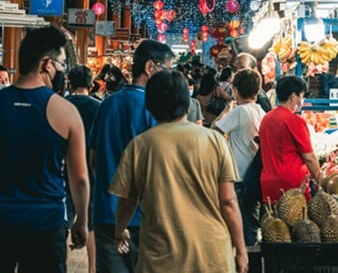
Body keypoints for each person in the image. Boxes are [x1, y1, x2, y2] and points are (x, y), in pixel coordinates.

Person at [109, 70, 248, 273]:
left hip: (161, 259)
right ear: (187, 101)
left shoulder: (140, 146)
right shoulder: (214, 140)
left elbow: (127, 202)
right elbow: (228, 202)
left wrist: (119, 233)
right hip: (212, 256)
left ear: (151, 103)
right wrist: (241, 250)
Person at [0, 25, 89, 272]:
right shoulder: (66, 112)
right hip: (46, 222)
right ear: (46, 64)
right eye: (61, 64)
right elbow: (79, 178)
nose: (63, 71)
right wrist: (81, 221)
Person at [89, 39, 176, 273]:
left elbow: (94, 159)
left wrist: (111, 186)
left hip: (107, 213)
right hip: (147, 217)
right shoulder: (156, 109)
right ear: (150, 67)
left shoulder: (107, 104)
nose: (169, 77)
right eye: (166, 69)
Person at [213, 68, 266, 246]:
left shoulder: (239, 111)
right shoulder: (260, 111)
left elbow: (214, 131)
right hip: (255, 175)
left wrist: (227, 110)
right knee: (251, 221)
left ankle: (245, 262)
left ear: (235, 90)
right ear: (257, 90)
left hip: (239, 176)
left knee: (240, 226)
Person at [259, 75, 321, 204]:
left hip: (268, 184)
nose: (302, 100)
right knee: (297, 223)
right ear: (293, 96)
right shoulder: (295, 121)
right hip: (292, 186)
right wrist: (320, 179)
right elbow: (309, 157)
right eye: (302, 96)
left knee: (272, 222)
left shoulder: (266, 118)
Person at [66, 64, 101, 273]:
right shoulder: (98, 106)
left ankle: (62, 264)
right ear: (91, 83)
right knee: (90, 222)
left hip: (63, 169)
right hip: (90, 169)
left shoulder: (61, 104)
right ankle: (93, 268)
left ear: (70, 82)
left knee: (64, 221)